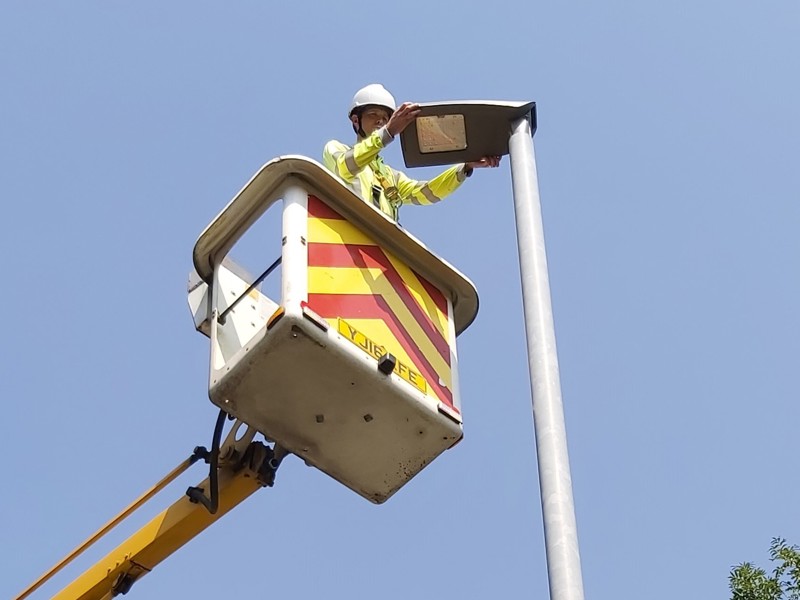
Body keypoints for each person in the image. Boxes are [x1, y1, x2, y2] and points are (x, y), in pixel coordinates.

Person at [323, 83, 501, 221]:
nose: (380, 121)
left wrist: (466, 166)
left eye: (385, 118)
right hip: (351, 237)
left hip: (379, 246)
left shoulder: (390, 176)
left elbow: (425, 193)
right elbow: (346, 166)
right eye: (373, 115)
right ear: (356, 120)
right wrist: (388, 132)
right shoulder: (336, 148)